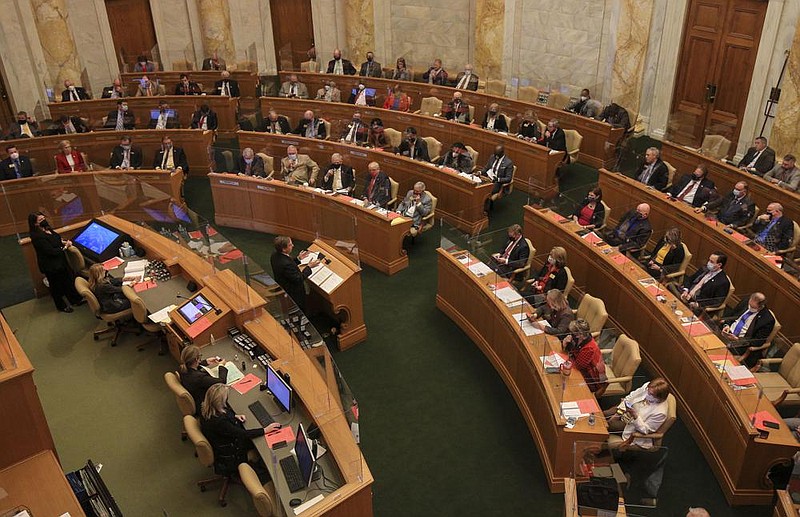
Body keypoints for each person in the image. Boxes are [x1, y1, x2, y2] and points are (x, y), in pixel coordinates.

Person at [200, 384, 280, 474]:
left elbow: (225, 414)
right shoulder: (220, 422)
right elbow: (242, 434)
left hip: (222, 441)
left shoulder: (206, 408)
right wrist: (265, 430)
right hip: (232, 454)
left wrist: (234, 416)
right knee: (262, 446)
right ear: (221, 402)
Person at [28, 212, 84, 312]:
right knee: (56, 286)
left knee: (68, 280)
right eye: (40, 220)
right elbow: (51, 251)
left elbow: (55, 239)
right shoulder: (37, 236)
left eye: (44, 218)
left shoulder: (47, 228)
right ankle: (61, 306)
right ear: (35, 224)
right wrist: (65, 247)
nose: (44, 220)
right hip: (51, 265)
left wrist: (63, 242)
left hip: (61, 261)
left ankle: (75, 300)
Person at [603, 378, 670, 448]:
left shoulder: (660, 413)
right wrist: (618, 413)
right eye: (648, 390)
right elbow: (630, 397)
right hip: (624, 411)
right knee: (603, 414)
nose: (647, 394)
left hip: (630, 425)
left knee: (606, 424)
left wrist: (635, 416)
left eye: (651, 394)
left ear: (659, 398)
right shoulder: (648, 387)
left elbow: (646, 430)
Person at [720, 292, 775, 366]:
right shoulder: (745, 302)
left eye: (753, 308)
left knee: (719, 353)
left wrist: (738, 340)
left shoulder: (767, 319)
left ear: (761, 306)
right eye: (750, 306)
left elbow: (759, 341)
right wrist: (726, 325)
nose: (750, 308)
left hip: (741, 343)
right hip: (727, 332)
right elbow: (732, 315)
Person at [270, 235, 320, 310]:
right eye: (290, 245)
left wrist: (298, 259)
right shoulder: (286, 263)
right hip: (293, 294)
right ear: (283, 249)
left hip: (283, 287)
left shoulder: (274, 255)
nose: (293, 245)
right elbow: (298, 279)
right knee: (299, 310)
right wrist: (309, 267)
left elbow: (288, 266)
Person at [178, 345, 227, 415]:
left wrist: (205, 362)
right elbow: (221, 382)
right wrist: (221, 366)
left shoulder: (182, 369)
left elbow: (191, 366)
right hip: (203, 405)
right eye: (200, 356)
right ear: (196, 359)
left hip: (196, 395)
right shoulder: (199, 378)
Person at [562, 319, 607, 394]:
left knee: (569, 389)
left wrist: (568, 358)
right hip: (578, 367)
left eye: (573, 333)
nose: (571, 334)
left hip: (590, 377)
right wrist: (565, 344)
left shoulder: (589, 348)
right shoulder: (579, 339)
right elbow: (572, 351)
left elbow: (578, 366)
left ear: (581, 335)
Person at [482, 145, 514, 214]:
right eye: (495, 154)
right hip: (488, 178)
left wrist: (498, 179)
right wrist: (480, 172)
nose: (496, 157)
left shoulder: (508, 163)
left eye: (498, 155)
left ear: (502, 153)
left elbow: (509, 178)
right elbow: (486, 167)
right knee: (478, 186)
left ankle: (485, 210)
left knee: (485, 190)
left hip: (497, 183)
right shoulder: (492, 157)